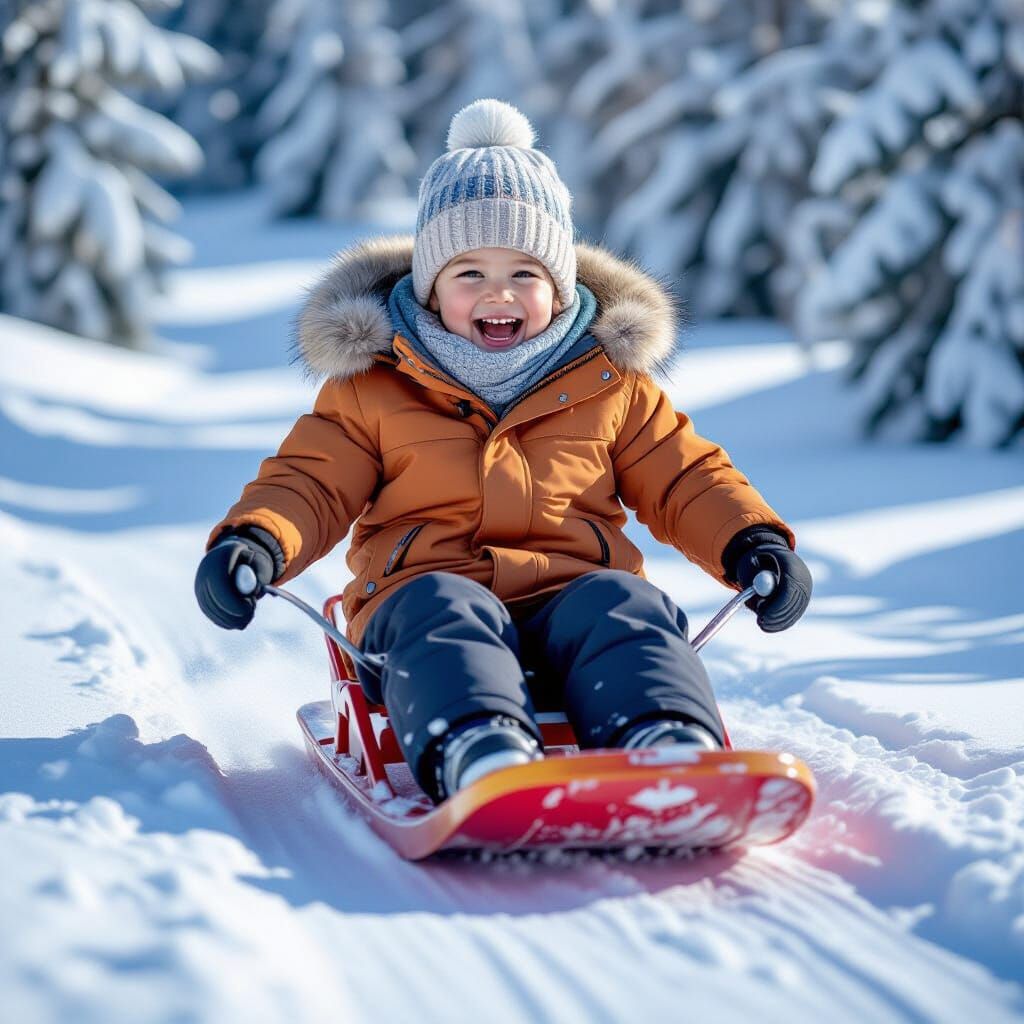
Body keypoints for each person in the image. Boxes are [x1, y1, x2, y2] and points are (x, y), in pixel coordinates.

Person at [195, 98, 812, 803]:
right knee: (444, 611)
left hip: (572, 593)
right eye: (469, 274)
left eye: (525, 273)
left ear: (560, 286)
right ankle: (481, 751)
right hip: (421, 600)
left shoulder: (610, 382)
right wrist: (255, 541)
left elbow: (685, 477)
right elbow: (311, 482)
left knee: (626, 606)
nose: (499, 293)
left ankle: (667, 738)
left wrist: (751, 542)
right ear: (429, 289)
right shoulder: (374, 386)